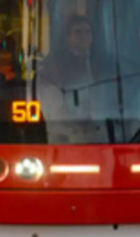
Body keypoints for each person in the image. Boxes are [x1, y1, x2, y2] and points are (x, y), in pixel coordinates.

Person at [37, 14, 108, 143]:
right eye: (77, 32)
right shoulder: (54, 63)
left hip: (100, 133)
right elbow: (52, 100)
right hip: (66, 135)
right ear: (67, 37)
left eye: (87, 32)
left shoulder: (104, 60)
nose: (84, 36)